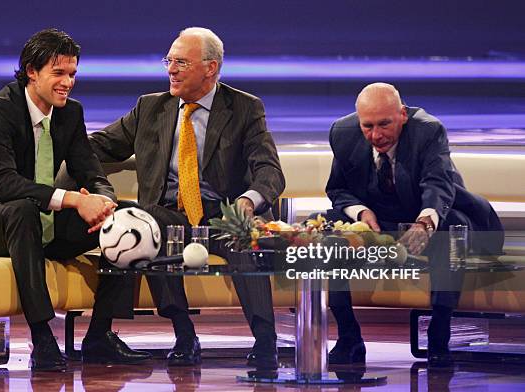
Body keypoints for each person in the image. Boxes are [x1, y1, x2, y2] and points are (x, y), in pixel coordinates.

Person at [0, 29, 151, 371]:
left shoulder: (70, 113)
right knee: (20, 210)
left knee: (127, 218)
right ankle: (42, 338)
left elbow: (91, 172)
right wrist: (73, 201)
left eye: (72, 74)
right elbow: (4, 185)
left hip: (37, 227)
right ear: (31, 71)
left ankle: (99, 335)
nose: (68, 82)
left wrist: (103, 203)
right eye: (59, 73)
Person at [89, 27, 285, 368]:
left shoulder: (244, 108)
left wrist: (248, 202)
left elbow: (270, 171)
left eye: (181, 62)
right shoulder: (150, 108)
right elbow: (96, 146)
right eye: (169, 60)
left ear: (210, 68)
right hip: (170, 212)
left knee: (242, 239)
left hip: (226, 212)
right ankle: (183, 333)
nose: (171, 69)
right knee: (141, 225)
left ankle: (265, 340)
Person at [322, 82, 504, 367]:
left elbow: (438, 184)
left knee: (449, 230)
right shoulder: (343, 133)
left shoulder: (428, 130)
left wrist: (424, 223)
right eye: (367, 126)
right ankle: (348, 335)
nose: (376, 135)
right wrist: (361, 213)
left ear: (403, 115)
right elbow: (338, 190)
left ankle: (439, 333)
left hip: (437, 212)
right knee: (329, 230)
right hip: (380, 219)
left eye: (384, 124)